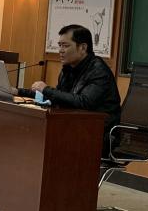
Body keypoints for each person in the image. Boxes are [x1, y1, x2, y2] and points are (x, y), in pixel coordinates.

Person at [16, 24, 121, 153]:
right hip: (75, 127)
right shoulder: (68, 69)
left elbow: (84, 102)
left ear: (83, 48)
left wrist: (46, 89)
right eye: (59, 45)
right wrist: (18, 91)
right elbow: (57, 97)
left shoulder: (98, 71)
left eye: (65, 46)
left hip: (98, 134)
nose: (60, 50)